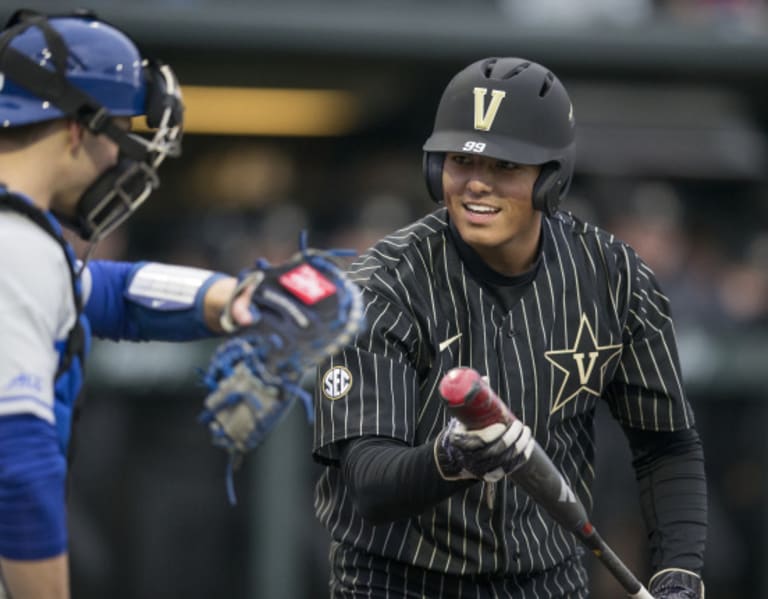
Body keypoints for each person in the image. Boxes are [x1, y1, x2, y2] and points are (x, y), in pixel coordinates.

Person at [312, 57, 707, 598]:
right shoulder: (382, 286)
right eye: (460, 160)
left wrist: (677, 572)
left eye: (505, 166)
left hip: (547, 581)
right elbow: (370, 483)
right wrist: (450, 458)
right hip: (397, 582)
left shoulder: (615, 277)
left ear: (551, 178)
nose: (477, 185)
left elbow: (666, 445)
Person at [0, 10, 259, 599]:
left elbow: (103, 291)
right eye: (118, 133)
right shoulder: (14, 247)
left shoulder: (22, 242)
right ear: (76, 130)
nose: (122, 158)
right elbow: (17, 471)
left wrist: (235, 298)